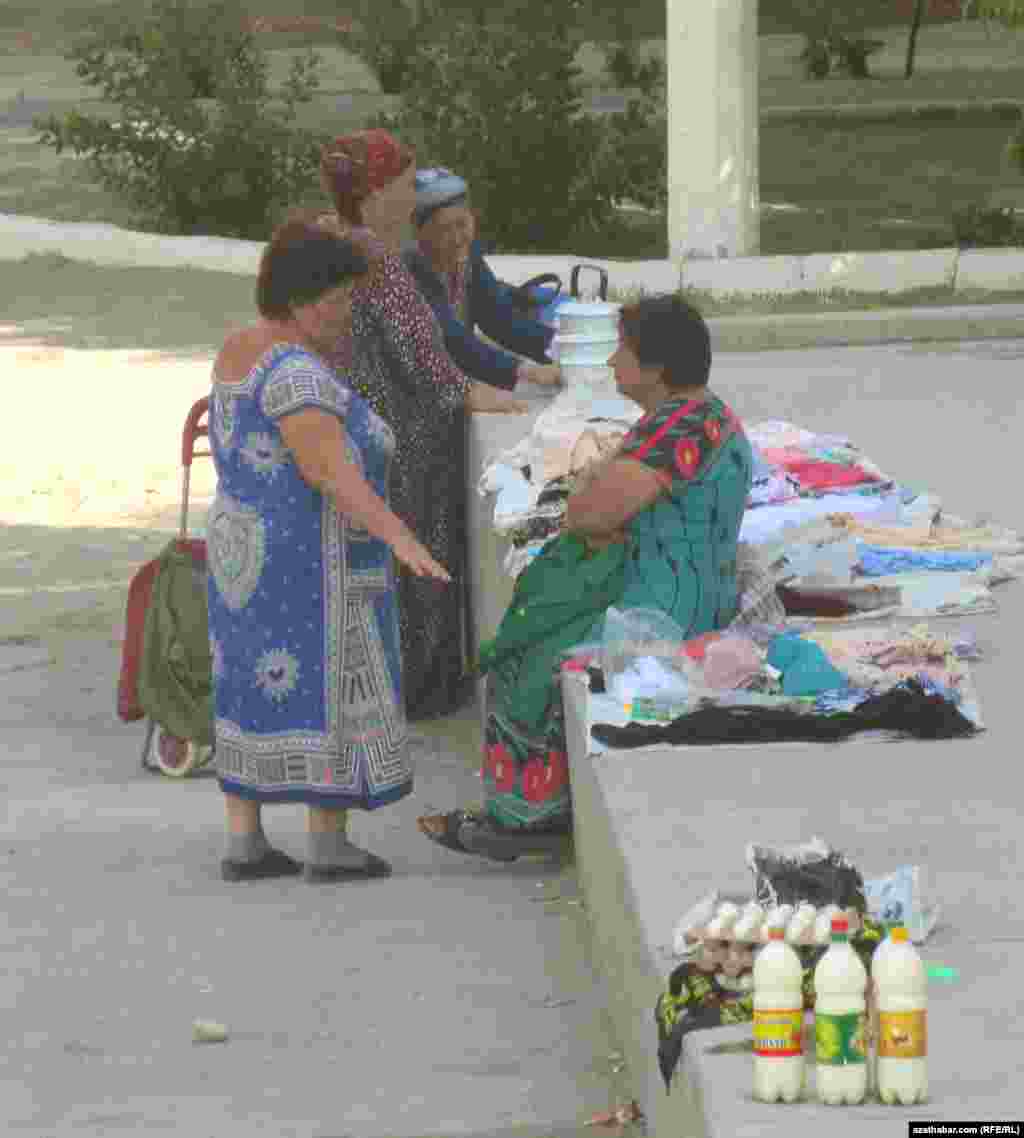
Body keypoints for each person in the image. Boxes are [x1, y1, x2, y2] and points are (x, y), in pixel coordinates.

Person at [417, 294, 754, 861]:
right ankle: (539, 809)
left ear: (655, 368)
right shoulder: (706, 416)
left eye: (623, 350)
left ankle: (528, 818)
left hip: (662, 611)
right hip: (695, 592)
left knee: (529, 658)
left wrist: (589, 493)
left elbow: (590, 514)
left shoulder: (676, 430)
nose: (613, 361)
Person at [207, 213, 451, 884]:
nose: (348, 313)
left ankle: (245, 841)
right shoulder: (296, 375)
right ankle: (327, 843)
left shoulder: (240, 348)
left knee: (250, 686)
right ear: (298, 301)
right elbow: (328, 470)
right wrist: (398, 534)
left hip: (242, 554)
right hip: (310, 561)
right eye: (338, 300)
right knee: (327, 686)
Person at [318, 130, 528, 722]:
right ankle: (418, 689)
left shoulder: (339, 240)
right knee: (420, 556)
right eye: (406, 186)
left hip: (360, 425)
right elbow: (421, 353)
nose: (413, 200)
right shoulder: (377, 259)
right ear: (376, 191)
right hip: (401, 434)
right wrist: (475, 393)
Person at [402, 167, 562, 391]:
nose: (457, 238)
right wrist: (525, 370)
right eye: (444, 230)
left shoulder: (467, 256)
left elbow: (499, 318)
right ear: (420, 234)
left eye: (462, 224)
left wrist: (561, 350)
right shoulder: (410, 272)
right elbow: (451, 339)